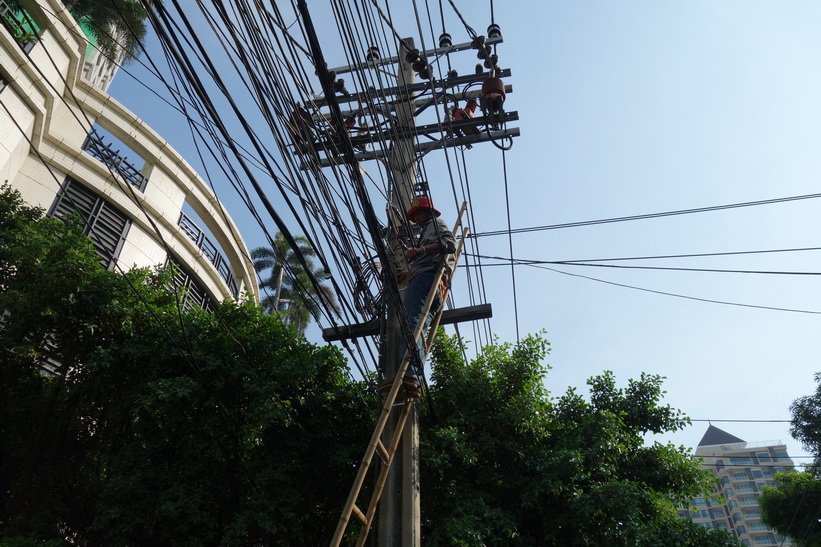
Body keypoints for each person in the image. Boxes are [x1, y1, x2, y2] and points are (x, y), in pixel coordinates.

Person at [396, 196, 457, 380]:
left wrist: (420, 251)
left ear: (430, 212)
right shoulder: (428, 230)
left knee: (412, 322)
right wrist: (408, 272)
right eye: (415, 216)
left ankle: (408, 372)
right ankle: (414, 375)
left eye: (420, 213)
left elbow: (450, 245)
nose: (417, 219)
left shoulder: (436, 224)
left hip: (426, 279)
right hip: (436, 285)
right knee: (419, 328)